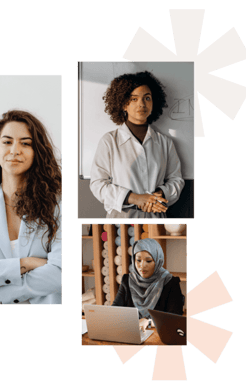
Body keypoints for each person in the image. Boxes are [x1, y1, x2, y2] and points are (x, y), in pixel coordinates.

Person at [0, 110, 62, 305]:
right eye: (7, 141)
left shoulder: (59, 207)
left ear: (36, 152)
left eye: (25, 143)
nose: (15, 150)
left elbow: (60, 274)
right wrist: (26, 264)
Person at [90, 71, 184, 219]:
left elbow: (176, 180)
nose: (141, 104)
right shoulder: (109, 141)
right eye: (134, 99)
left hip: (156, 215)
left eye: (147, 98)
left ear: (154, 103)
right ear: (123, 104)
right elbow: (98, 184)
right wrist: (135, 198)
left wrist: (158, 195)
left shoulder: (164, 142)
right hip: (121, 218)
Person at [112, 238, 184, 331]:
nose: (142, 265)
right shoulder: (128, 280)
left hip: (160, 334)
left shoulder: (170, 282)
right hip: (132, 333)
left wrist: (148, 322)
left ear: (158, 261)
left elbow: (175, 318)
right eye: (138, 260)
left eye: (148, 261)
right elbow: (115, 310)